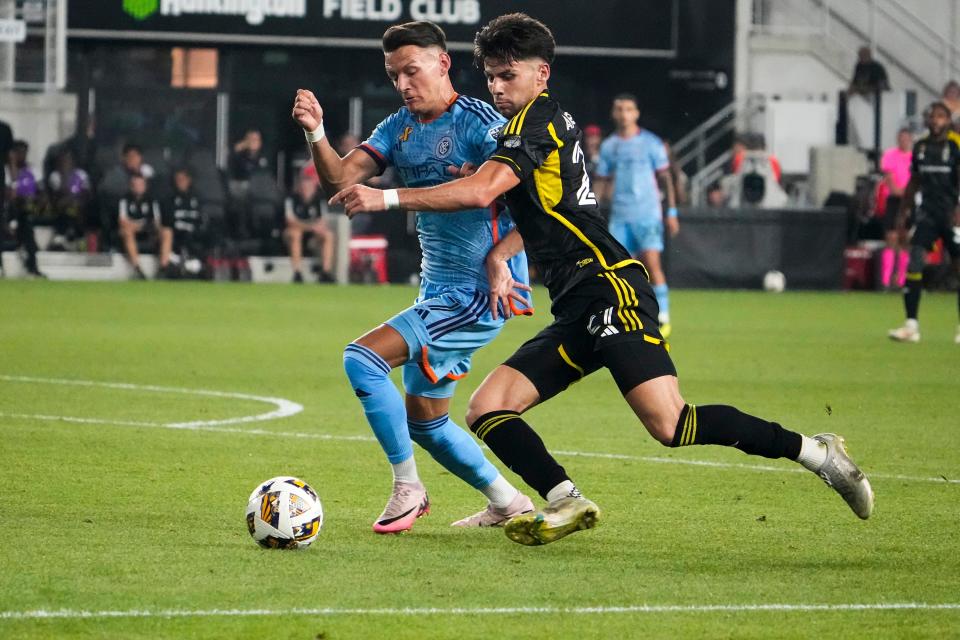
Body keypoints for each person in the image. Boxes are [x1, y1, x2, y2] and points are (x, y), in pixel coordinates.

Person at [332, 12, 875, 546]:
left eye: (508, 75)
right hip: (574, 301)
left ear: (542, 74)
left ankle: (815, 451)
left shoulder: (538, 120)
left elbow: (481, 190)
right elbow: (489, 186)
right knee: (487, 409)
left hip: (610, 285)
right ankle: (566, 499)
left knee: (671, 425)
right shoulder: (519, 127)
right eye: (492, 76)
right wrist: (496, 245)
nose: (496, 87)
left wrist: (387, 196)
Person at [292, 20, 535, 534]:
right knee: (425, 420)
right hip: (438, 291)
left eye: (411, 70)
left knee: (361, 358)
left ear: (443, 64)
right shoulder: (398, 127)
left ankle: (408, 487)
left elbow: (540, 203)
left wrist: (501, 259)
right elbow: (338, 178)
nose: (403, 83)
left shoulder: (480, 124)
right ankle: (510, 503)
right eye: (393, 73)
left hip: (479, 293)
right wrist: (316, 131)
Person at [593, 94, 678, 337]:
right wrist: (591, 211)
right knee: (619, 269)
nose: (623, 114)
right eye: (619, 109)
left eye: (628, 109)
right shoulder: (610, 146)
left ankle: (663, 316)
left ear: (636, 113)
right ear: (613, 113)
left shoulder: (651, 143)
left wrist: (671, 211)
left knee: (652, 264)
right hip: (621, 215)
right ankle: (626, 315)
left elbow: (665, 178)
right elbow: (601, 181)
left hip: (647, 214)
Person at [888, 102, 960, 344]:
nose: (935, 121)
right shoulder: (920, 147)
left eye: (940, 117)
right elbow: (913, 183)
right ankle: (911, 325)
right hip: (927, 215)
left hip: (953, 215)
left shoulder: (956, 145)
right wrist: (902, 216)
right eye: (932, 117)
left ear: (949, 120)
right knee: (915, 260)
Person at [876, 128, 913, 289]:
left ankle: (902, 280)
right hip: (895, 200)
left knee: (905, 239)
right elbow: (891, 183)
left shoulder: (915, 157)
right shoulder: (890, 155)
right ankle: (885, 280)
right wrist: (903, 191)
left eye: (906, 138)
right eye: (901, 138)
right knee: (891, 237)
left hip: (910, 202)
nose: (903, 141)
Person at [118, 173, 170, 279]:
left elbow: (156, 221)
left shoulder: (152, 200)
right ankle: (137, 269)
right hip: (132, 230)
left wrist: (141, 225)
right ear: (131, 186)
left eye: (140, 184)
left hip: (149, 230)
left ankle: (163, 268)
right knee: (127, 231)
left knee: (167, 232)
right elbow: (122, 221)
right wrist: (139, 225)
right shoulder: (125, 199)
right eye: (135, 184)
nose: (138, 187)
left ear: (145, 185)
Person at [283, 176, 335, 283]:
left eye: (309, 185)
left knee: (328, 235)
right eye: (304, 185)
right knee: (295, 234)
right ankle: (297, 273)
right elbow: (290, 221)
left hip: (312, 235)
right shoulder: (291, 198)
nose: (307, 188)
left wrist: (318, 227)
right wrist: (310, 227)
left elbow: (324, 220)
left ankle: (325, 272)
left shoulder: (319, 199)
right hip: (293, 232)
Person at [162, 168, 209, 277]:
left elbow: (201, 218)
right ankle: (179, 266)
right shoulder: (169, 199)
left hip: (194, 233)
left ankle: (205, 266)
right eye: (178, 180)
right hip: (177, 234)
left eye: (183, 179)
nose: (180, 182)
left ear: (189, 180)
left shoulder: (197, 197)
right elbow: (167, 221)